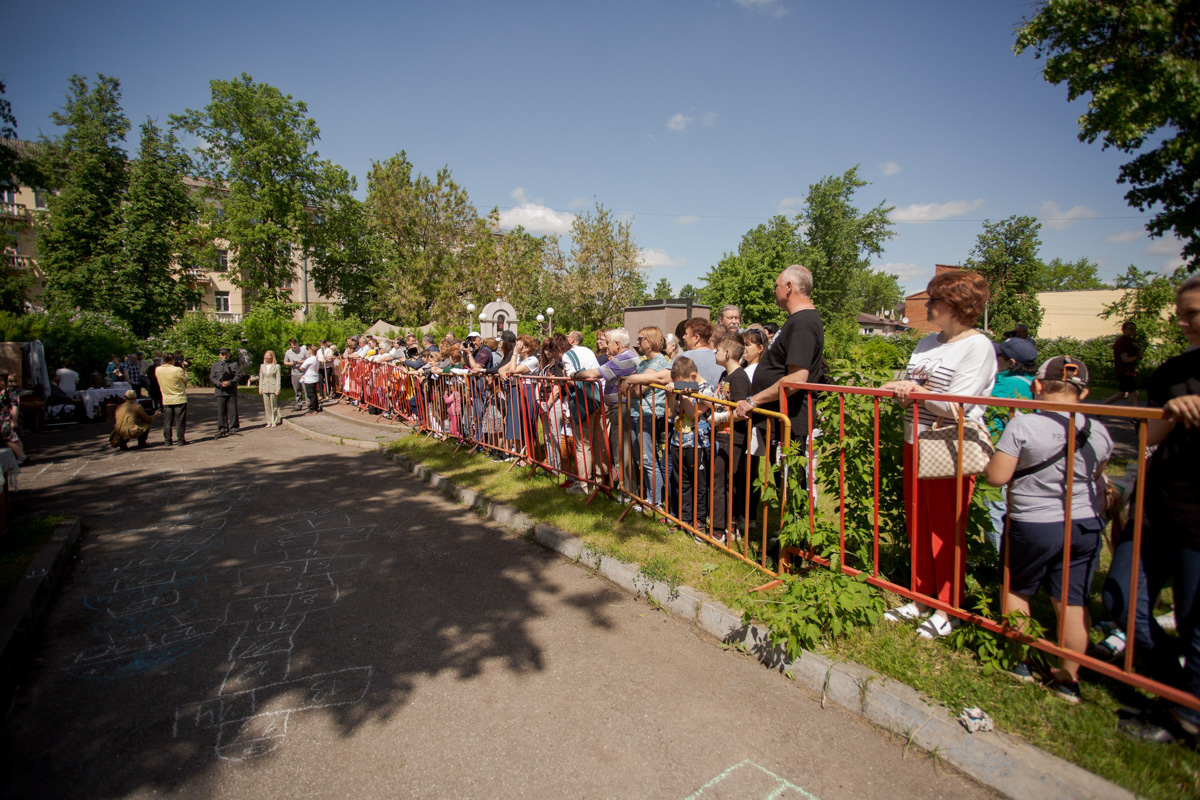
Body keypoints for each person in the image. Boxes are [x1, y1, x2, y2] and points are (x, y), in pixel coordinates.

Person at [984, 356, 1113, 703]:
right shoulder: (1099, 430)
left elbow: (997, 477)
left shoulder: (1023, 426)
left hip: (1033, 524)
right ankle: (1068, 679)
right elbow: (1097, 475)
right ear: (1083, 393)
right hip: (1084, 524)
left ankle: (1021, 662)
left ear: (1037, 386)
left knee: (1017, 590)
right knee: (1071, 602)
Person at [879, 269, 997, 638]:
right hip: (915, 439)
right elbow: (909, 382)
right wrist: (905, 387)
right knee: (919, 523)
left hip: (949, 446)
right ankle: (920, 597)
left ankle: (949, 608)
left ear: (957, 305)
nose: (927, 306)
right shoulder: (927, 343)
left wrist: (911, 389)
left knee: (946, 530)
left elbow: (960, 404)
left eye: (934, 301)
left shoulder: (978, 347)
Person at [1119, 275, 1200, 742]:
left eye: (1192, 313)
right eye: (1181, 311)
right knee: (1124, 600)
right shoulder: (1170, 372)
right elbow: (1144, 442)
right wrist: (1170, 416)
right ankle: (1177, 691)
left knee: (1193, 616)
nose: (1182, 320)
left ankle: (1187, 713)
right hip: (1158, 505)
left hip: (1198, 519)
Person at [735, 265, 826, 459]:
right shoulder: (797, 320)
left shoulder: (802, 323)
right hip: (781, 420)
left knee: (790, 484)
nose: (774, 291)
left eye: (776, 286)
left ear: (789, 287)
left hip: (790, 422)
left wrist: (753, 400)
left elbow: (797, 378)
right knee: (780, 483)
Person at [984, 336, 1039, 552]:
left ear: (1012, 363)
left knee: (995, 506)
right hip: (1026, 455)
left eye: (998, 358)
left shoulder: (1004, 383)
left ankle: (997, 560)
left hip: (1001, 451)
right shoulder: (1032, 383)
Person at [575, 329, 640, 493]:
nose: (606, 346)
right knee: (621, 451)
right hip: (619, 407)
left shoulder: (623, 358)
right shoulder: (626, 357)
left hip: (622, 408)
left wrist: (575, 374)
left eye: (608, 342)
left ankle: (627, 492)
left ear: (617, 344)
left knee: (622, 452)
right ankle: (627, 489)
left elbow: (595, 373)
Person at [666, 356, 714, 534]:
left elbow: (695, 413)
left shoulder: (707, 389)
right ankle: (683, 519)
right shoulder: (682, 388)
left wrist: (684, 395)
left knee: (699, 485)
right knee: (681, 483)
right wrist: (672, 394)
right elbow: (670, 413)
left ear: (693, 376)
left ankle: (699, 521)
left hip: (698, 444)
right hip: (678, 442)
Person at [628, 327, 670, 508]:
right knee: (640, 459)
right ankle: (650, 497)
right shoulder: (644, 363)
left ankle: (656, 501)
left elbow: (636, 390)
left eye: (640, 339)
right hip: (636, 413)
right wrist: (631, 384)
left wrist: (631, 383)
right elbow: (628, 389)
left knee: (648, 459)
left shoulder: (660, 362)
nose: (638, 342)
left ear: (651, 341)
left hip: (649, 414)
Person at [562, 329, 602, 488]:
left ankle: (584, 485)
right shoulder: (589, 351)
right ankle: (600, 480)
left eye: (567, 337)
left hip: (583, 400)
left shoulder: (567, 355)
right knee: (597, 441)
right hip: (597, 396)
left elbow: (572, 378)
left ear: (572, 340)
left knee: (582, 444)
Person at [1105, 322, 1142, 406]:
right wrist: (1136, 357)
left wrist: (1138, 348)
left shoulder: (1132, 342)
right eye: (1130, 329)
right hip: (1124, 371)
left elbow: (1141, 356)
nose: (1133, 331)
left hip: (1130, 371)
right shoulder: (1121, 342)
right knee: (1134, 392)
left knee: (1121, 394)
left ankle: (1100, 409)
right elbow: (1125, 359)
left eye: (1134, 329)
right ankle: (1133, 415)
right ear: (1124, 330)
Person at [210, 347, 243, 437]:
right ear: (220, 355)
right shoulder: (215, 365)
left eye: (226, 354)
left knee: (233, 410)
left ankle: (234, 428)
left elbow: (238, 376)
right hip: (220, 390)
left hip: (231, 390)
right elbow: (212, 377)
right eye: (223, 354)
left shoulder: (234, 364)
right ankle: (222, 428)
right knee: (221, 411)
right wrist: (219, 384)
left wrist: (229, 382)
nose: (225, 356)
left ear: (229, 354)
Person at [157, 353, 189, 446]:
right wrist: (184, 369)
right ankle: (180, 440)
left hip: (166, 398)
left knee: (167, 421)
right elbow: (185, 380)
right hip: (179, 398)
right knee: (180, 421)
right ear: (172, 360)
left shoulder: (158, 369)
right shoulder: (177, 370)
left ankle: (167, 440)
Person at [0, 373, 25, 464]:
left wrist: (13, 421)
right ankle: (20, 455)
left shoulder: (10, 393)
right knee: (11, 437)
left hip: (8, 418)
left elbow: (15, 407)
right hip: (2, 419)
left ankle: (21, 456)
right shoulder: (1, 392)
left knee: (7, 437)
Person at [259, 350, 283, 427]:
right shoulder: (262, 366)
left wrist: (277, 388)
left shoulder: (276, 366)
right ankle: (268, 421)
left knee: (273, 405)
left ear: (272, 357)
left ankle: (274, 421)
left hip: (273, 387)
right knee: (267, 406)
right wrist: (260, 388)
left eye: (268, 356)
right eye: (265, 356)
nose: (267, 357)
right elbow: (261, 378)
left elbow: (278, 378)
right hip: (265, 387)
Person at [283, 339, 307, 411]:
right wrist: (290, 363)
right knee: (297, 390)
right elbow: (285, 362)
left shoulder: (303, 350)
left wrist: (301, 362)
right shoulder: (288, 352)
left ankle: (309, 404)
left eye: (296, 344)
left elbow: (309, 359)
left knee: (306, 389)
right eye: (293, 345)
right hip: (295, 373)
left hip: (304, 373)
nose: (295, 346)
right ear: (290, 345)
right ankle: (299, 404)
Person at [299, 344, 323, 414]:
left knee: (310, 394)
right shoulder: (316, 359)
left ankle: (313, 408)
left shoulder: (309, 359)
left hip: (309, 378)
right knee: (314, 393)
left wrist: (302, 363)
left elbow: (301, 368)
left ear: (310, 351)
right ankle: (315, 406)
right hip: (314, 377)